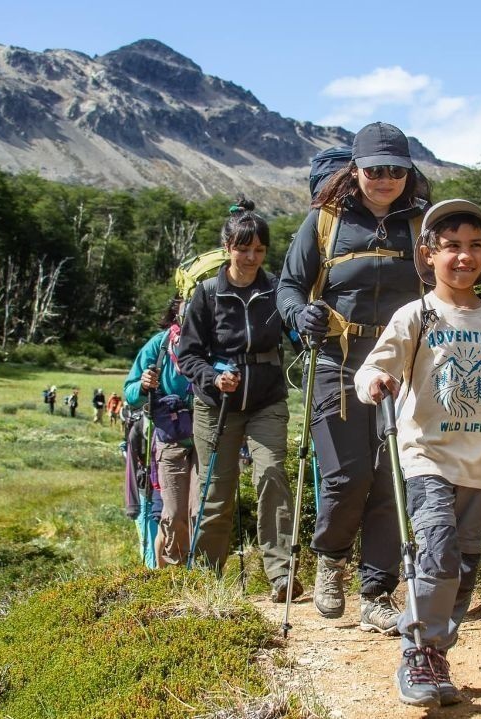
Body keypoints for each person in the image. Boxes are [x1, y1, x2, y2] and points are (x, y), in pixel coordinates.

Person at [353, 199, 481, 707]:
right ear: (428, 254)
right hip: (425, 456)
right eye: (452, 246)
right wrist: (375, 381)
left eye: (474, 246)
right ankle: (418, 651)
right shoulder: (418, 314)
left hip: (479, 464)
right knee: (435, 550)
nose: (464, 257)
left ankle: (436, 651)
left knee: (464, 564)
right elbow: (374, 365)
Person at [277, 121, 430, 633]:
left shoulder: (421, 224)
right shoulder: (324, 221)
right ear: (356, 170)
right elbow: (290, 286)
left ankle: (377, 591)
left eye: (395, 170)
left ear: (408, 172)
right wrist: (301, 318)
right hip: (337, 361)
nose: (385, 179)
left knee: (391, 476)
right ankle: (331, 558)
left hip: (403, 364)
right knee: (347, 476)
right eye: (374, 170)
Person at [176, 196, 299, 600]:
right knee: (217, 491)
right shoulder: (207, 294)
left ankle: (281, 575)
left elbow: (296, 332)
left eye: (259, 250)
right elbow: (187, 355)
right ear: (227, 248)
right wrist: (213, 378)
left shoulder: (277, 290)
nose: (251, 257)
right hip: (217, 406)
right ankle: (207, 580)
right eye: (243, 249)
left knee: (272, 476)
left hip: (267, 400)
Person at [124, 295, 199, 566]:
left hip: (207, 434)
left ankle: (202, 580)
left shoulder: (215, 340)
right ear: (175, 314)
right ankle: (169, 579)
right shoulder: (159, 345)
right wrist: (144, 386)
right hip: (170, 436)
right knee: (173, 513)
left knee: (201, 512)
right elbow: (130, 392)